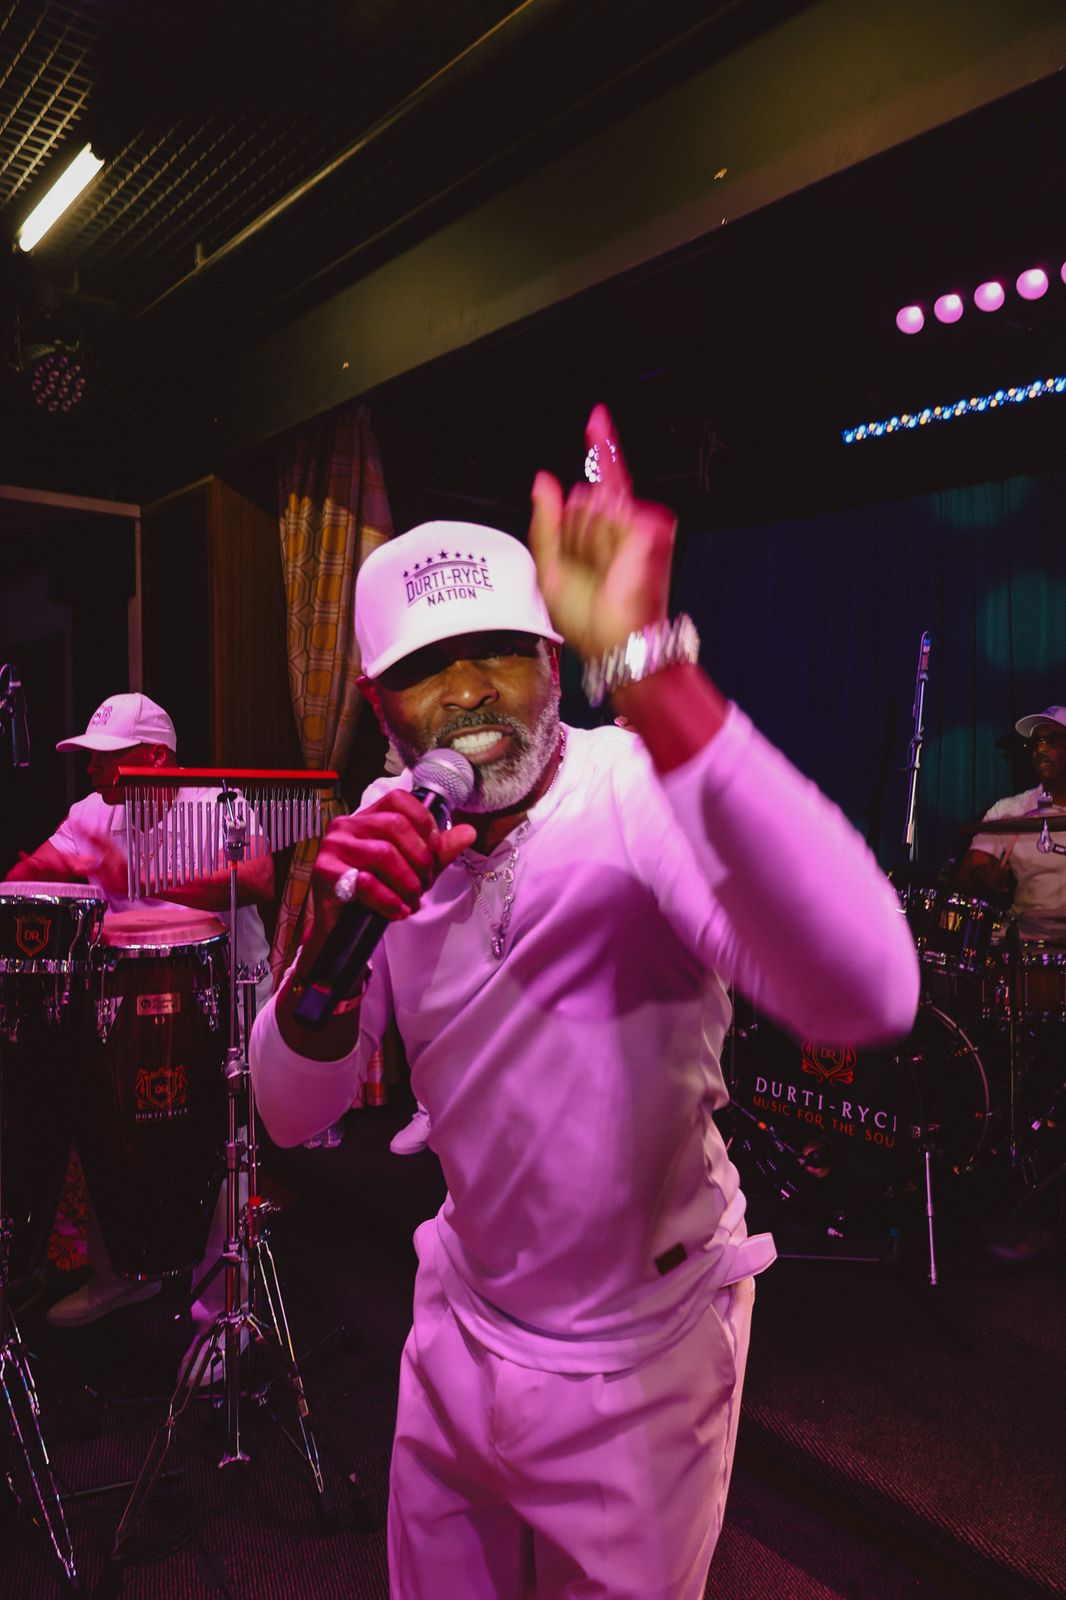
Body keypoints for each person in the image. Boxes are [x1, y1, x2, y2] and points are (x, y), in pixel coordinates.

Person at [249, 429, 919, 1600]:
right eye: (427, 666)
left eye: (499, 651)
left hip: (640, 1358)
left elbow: (872, 987)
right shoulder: (385, 824)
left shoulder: (637, 790)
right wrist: (329, 956)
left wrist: (658, 679)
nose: (469, 691)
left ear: (554, 660)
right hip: (458, 1320)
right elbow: (290, 1111)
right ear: (376, 702)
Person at [3, 692, 273, 1340]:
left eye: (107, 758)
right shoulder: (91, 811)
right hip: (128, 998)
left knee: (218, 1141)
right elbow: (30, 873)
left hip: (224, 990)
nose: (92, 769)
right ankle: (123, 1272)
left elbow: (259, 878)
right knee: (105, 1124)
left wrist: (141, 878)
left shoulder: (220, 804)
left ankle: (223, 1311)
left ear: (155, 757)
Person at [955, 705, 1066, 940]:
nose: (1040, 749)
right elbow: (965, 876)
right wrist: (983, 877)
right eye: (1036, 742)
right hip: (1025, 943)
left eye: (1052, 740)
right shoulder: (1008, 811)